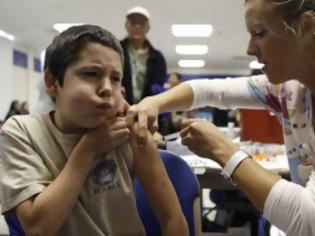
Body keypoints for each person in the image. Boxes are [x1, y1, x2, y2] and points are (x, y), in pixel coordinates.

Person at [127, 0, 315, 235]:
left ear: (307, 28)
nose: (250, 48)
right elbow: (211, 91)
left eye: (260, 33)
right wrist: (153, 102)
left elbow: (308, 220)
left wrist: (224, 152)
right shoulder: (289, 90)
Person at [0, 25, 189, 236]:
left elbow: (173, 220)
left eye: (115, 78)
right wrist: (90, 147)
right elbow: (38, 228)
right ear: (52, 82)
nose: (107, 88)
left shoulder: (129, 130)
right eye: (91, 73)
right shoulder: (21, 132)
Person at [121, 6, 167, 105]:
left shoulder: (157, 58)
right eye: (133, 22)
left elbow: (158, 87)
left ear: (148, 27)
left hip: (147, 110)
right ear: (126, 25)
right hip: (118, 108)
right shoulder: (116, 50)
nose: (137, 26)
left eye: (141, 23)